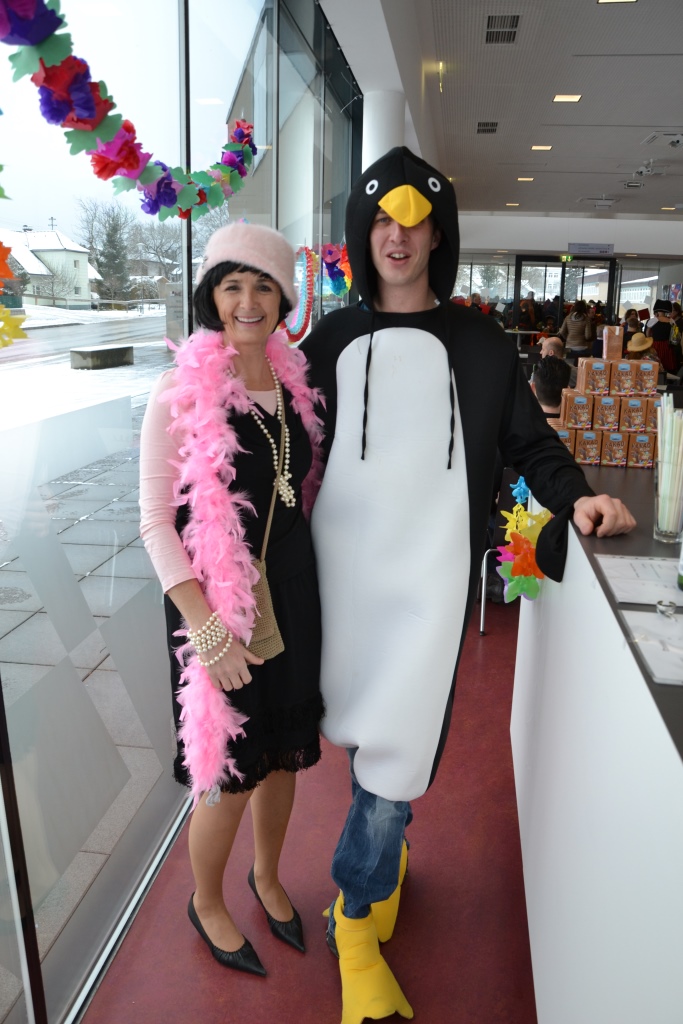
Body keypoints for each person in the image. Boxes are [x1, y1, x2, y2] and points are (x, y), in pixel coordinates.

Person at [301, 146, 635, 1023]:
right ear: (361, 232)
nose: (397, 236)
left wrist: (577, 494)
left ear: (437, 235)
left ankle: (353, 919)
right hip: (340, 581)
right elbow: (280, 440)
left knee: (399, 748)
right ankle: (382, 855)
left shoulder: (480, 342)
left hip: (430, 579)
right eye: (381, 219)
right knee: (358, 734)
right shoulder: (327, 340)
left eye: (413, 222)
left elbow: (528, 441)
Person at [139, 223, 325, 977]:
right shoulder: (179, 391)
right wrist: (206, 628)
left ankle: (267, 876)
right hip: (214, 602)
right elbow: (155, 523)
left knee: (281, 755)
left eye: (263, 286)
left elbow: (300, 491)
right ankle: (207, 900)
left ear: (284, 298)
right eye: (231, 285)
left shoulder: (291, 379)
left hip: (291, 592)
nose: (247, 302)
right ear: (210, 297)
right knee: (229, 769)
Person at [646, 303, 677, 372]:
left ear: (657, 311)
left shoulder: (653, 320)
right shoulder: (671, 321)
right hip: (667, 345)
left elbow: (647, 333)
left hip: (655, 344)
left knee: (655, 363)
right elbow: (674, 333)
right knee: (667, 363)